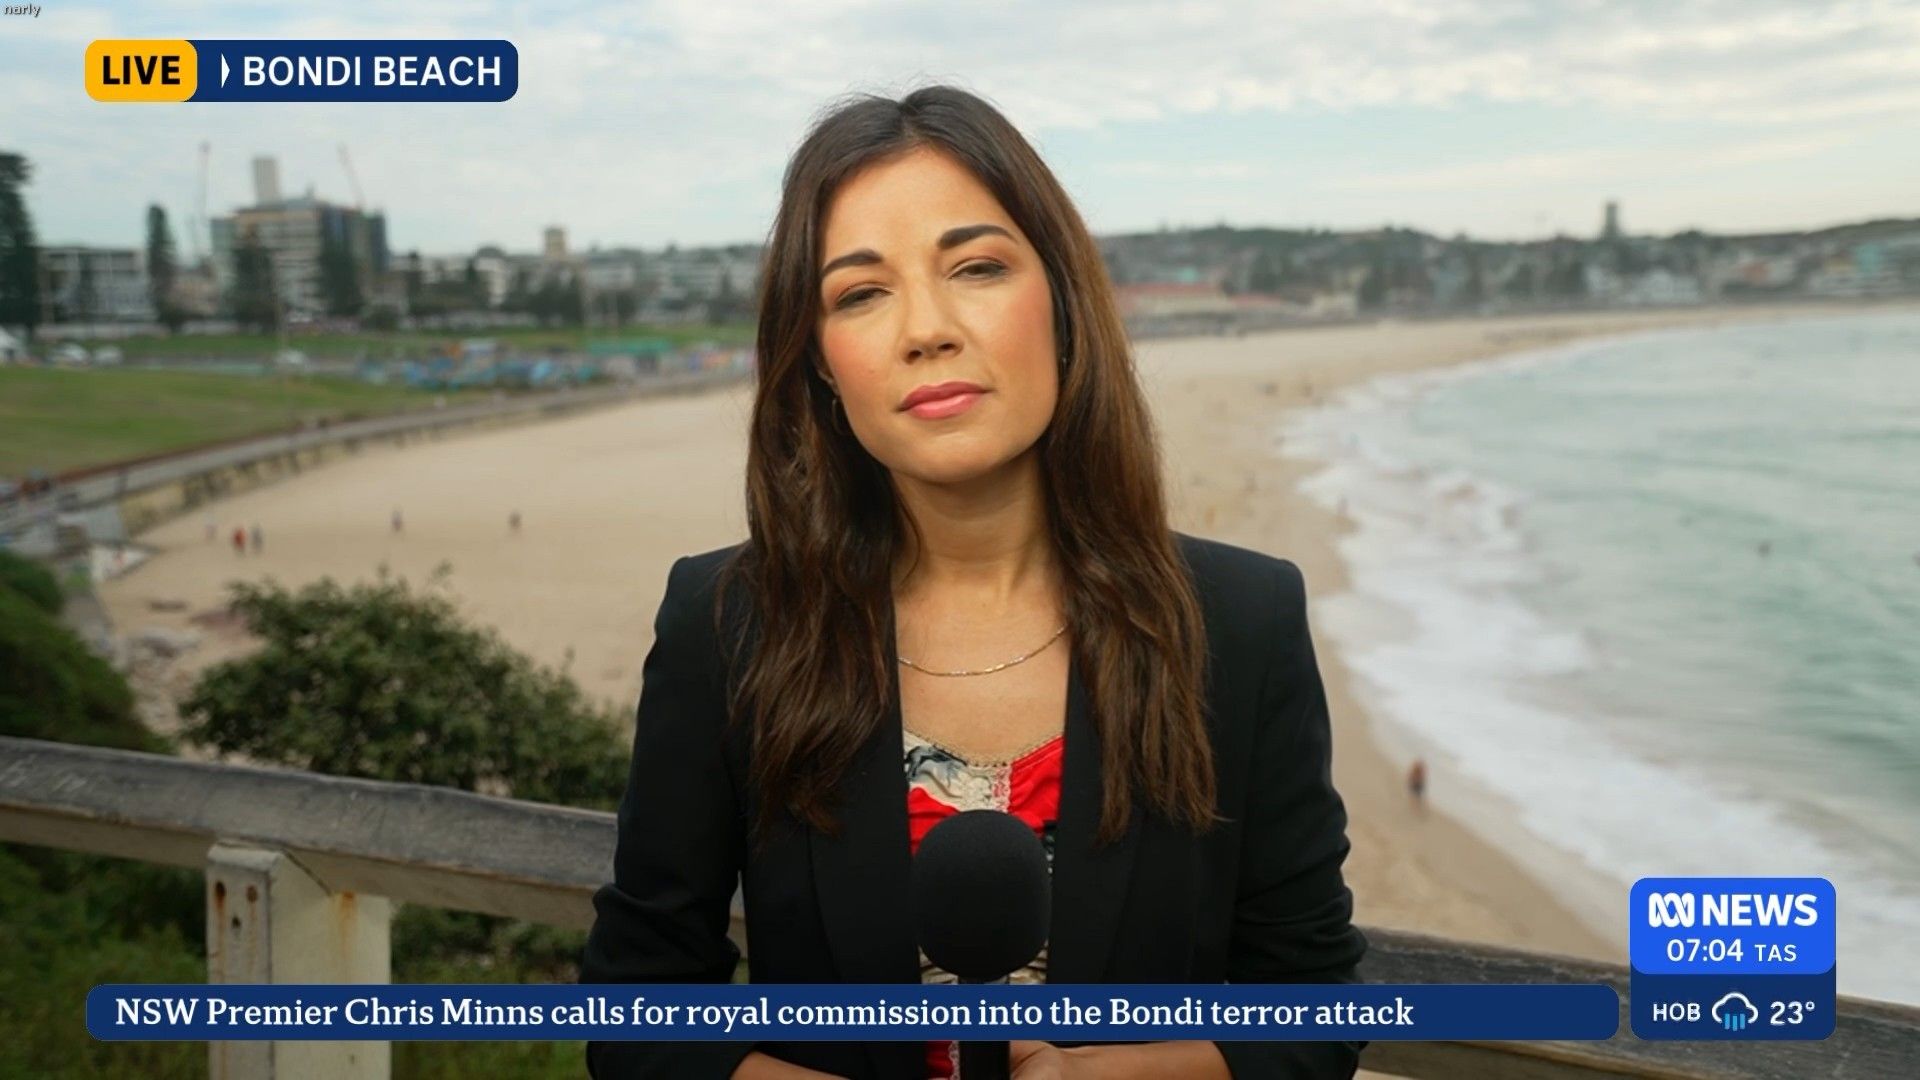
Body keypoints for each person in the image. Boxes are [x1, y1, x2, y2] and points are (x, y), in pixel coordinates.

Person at [579, 85, 1366, 1080]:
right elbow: (639, 1015)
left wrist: (1100, 1076)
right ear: (819, 362)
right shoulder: (729, 625)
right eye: (860, 294)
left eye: (977, 267)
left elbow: (1312, 1012)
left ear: (1063, 303)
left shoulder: (1240, 621)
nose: (928, 328)